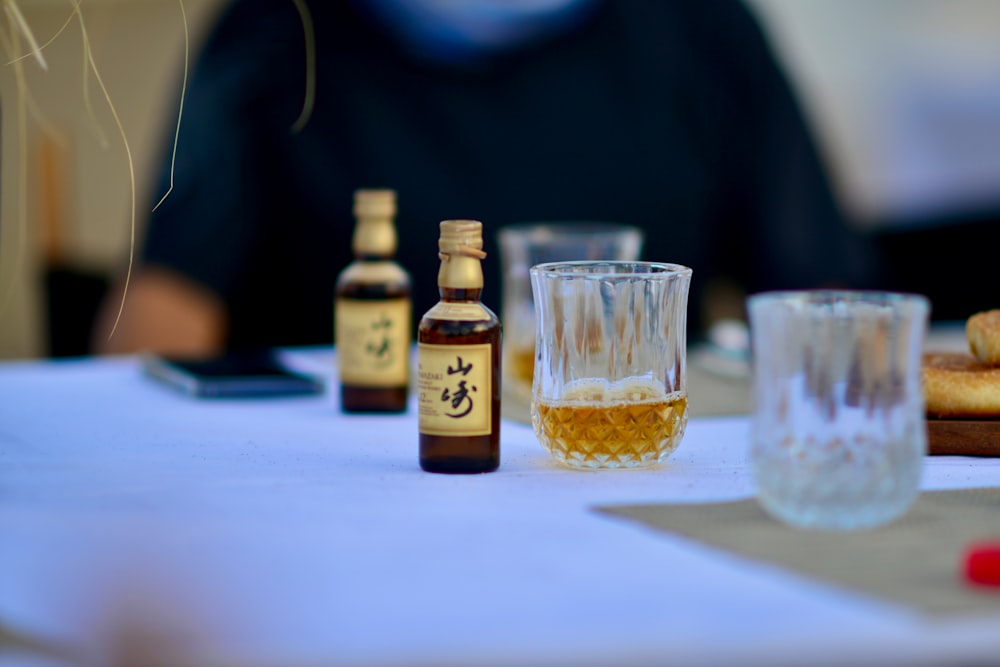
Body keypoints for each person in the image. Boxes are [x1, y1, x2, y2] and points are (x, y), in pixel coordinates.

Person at [94, 0, 878, 356]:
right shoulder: (279, 28)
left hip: (633, 467)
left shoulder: (699, 29)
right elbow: (160, 314)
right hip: (352, 492)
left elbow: (830, 308)